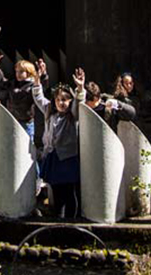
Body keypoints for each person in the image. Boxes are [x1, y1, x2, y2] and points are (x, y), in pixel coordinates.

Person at [33, 67, 86, 218]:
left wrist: (80, 87)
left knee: (69, 191)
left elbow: (79, 102)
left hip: (67, 158)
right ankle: (58, 218)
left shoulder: (72, 116)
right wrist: (37, 81)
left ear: (70, 101)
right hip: (53, 157)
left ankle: (71, 220)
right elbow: (38, 98)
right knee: (56, 191)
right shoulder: (50, 112)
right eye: (58, 100)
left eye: (64, 100)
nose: (61, 103)